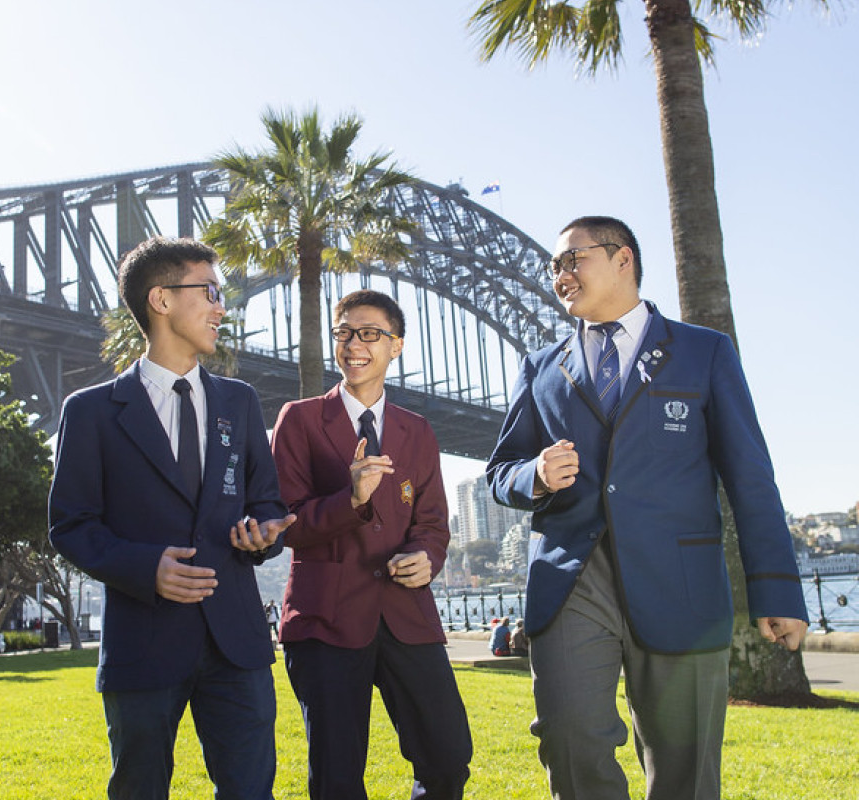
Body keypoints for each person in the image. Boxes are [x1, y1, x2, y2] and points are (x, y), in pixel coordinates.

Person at [487, 216, 808, 800]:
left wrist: (779, 589)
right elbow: (500, 472)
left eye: (572, 259)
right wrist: (533, 475)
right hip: (573, 580)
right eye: (554, 266)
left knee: (685, 771)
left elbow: (751, 478)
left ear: (623, 259)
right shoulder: (539, 368)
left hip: (679, 582)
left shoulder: (704, 351)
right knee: (569, 741)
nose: (560, 275)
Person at [48, 236, 296, 800]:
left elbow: (267, 505)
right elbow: (71, 524)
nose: (221, 307)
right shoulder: (89, 412)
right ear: (161, 299)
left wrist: (262, 536)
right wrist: (145, 567)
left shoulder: (240, 401)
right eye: (209, 291)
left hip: (238, 645)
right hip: (144, 643)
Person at [271, 289, 473, 800]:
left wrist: (427, 557)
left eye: (369, 334)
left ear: (395, 345)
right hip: (327, 620)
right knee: (337, 778)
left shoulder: (419, 430)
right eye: (344, 333)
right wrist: (351, 497)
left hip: (407, 615)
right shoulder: (299, 418)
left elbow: (432, 522)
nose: (353, 344)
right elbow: (286, 524)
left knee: (448, 757)